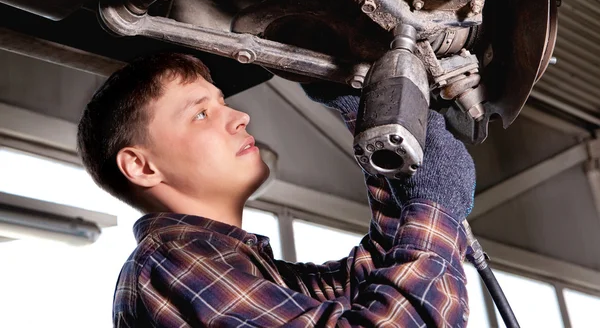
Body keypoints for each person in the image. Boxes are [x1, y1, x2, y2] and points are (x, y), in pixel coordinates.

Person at [77, 52, 476, 327]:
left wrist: (366, 111)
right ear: (142, 166)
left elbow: (372, 276)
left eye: (222, 102)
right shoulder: (169, 266)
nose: (239, 115)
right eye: (201, 113)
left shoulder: (236, 267)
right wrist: (434, 206)